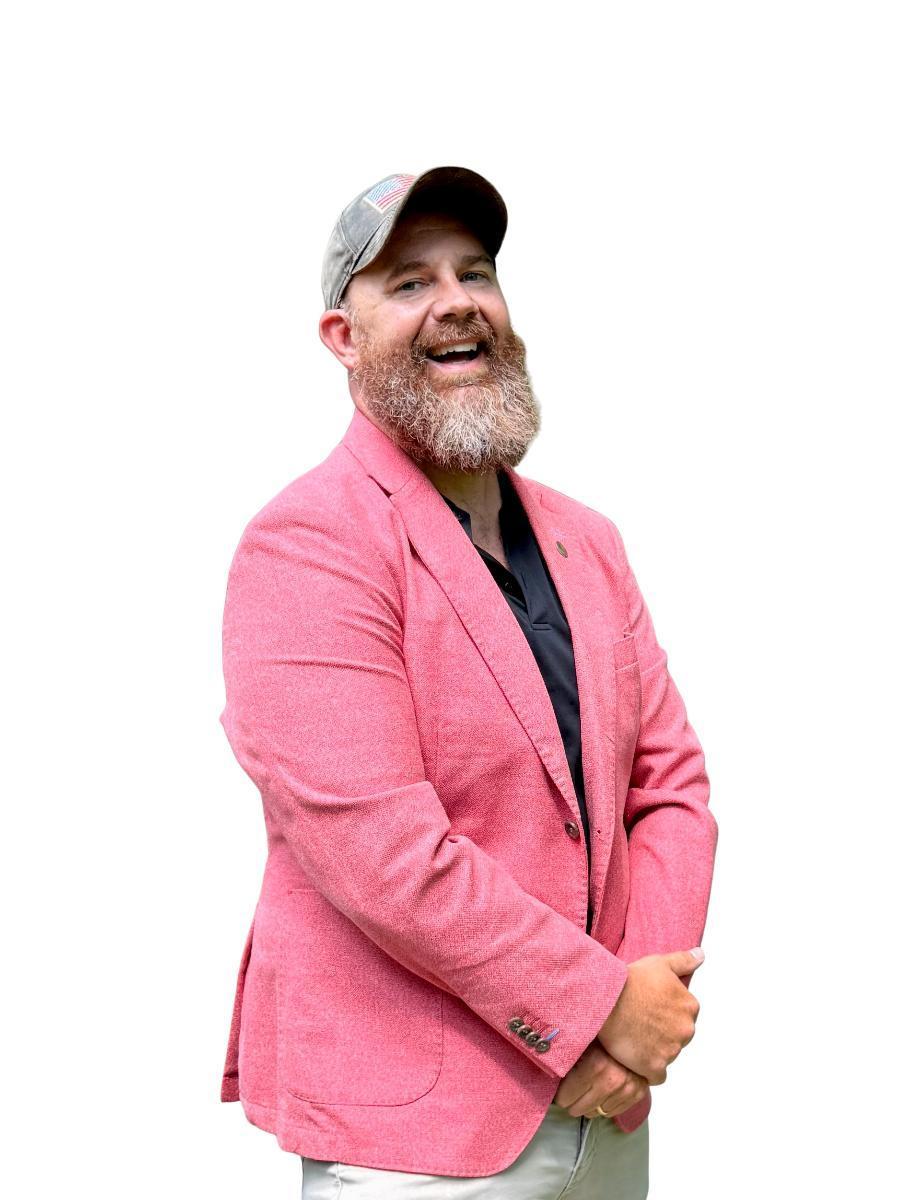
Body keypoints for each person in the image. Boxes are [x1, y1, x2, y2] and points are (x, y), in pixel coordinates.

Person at [217, 166, 717, 1198]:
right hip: (416, 1137)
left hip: (607, 1107)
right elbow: (385, 853)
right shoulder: (306, 545)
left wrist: (640, 1011)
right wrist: (595, 1009)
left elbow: (667, 787)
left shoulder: (587, 539)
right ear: (341, 336)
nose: (456, 301)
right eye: (408, 282)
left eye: (475, 272)